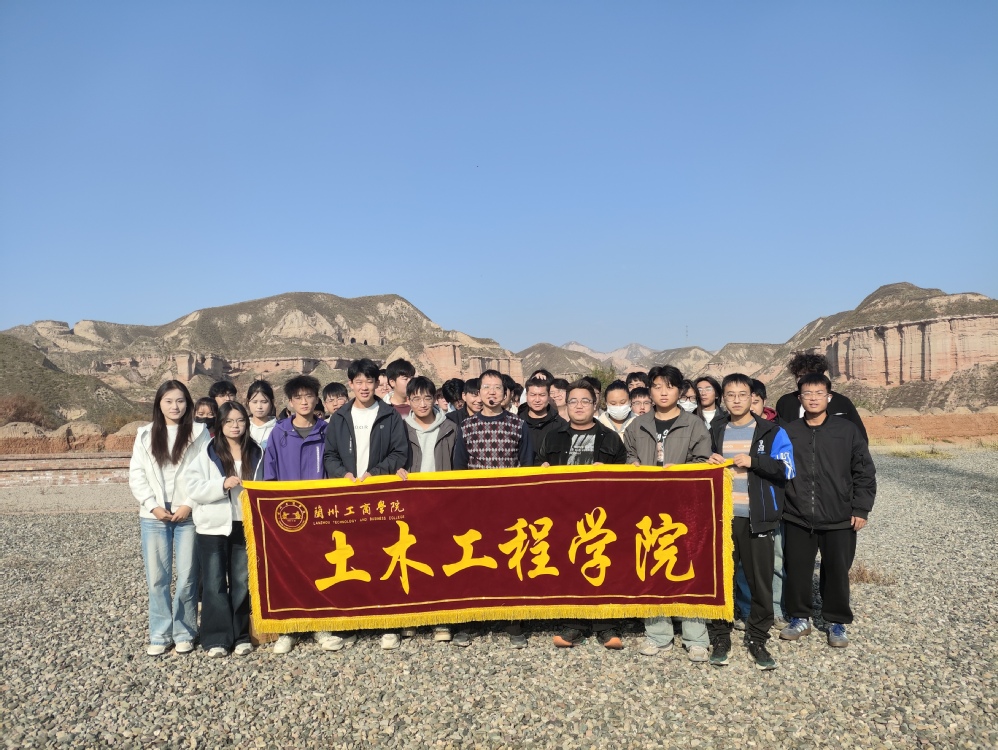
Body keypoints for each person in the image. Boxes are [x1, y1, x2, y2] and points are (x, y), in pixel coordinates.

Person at [705, 374, 795, 671]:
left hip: (757, 518)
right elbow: (702, 462)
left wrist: (754, 462)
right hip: (723, 518)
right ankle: (720, 637)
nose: (736, 400)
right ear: (723, 399)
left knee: (760, 582)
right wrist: (707, 462)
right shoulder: (716, 429)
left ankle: (757, 638)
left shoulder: (771, 431)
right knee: (721, 581)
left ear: (752, 397)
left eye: (742, 394)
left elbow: (788, 469)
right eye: (730, 395)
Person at [779, 373, 876, 648]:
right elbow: (777, 469)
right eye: (807, 394)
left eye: (819, 393)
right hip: (797, 516)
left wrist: (861, 508)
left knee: (836, 571)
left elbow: (864, 471)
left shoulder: (847, 430)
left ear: (829, 397)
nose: (813, 398)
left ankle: (836, 621)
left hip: (839, 516)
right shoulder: (788, 432)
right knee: (797, 570)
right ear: (800, 398)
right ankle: (800, 617)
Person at [624, 365, 713, 663]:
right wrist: (632, 465)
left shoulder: (694, 425)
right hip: (648, 510)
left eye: (670, 386)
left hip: (684, 510)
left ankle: (695, 637)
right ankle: (658, 634)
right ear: (649, 390)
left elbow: (703, 462)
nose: (663, 392)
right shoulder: (637, 426)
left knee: (689, 569)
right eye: (657, 386)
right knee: (651, 568)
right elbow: (630, 456)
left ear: (680, 390)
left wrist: (683, 471)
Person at [536, 380, 628, 650]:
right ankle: (573, 623)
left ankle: (605, 625)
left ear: (595, 404)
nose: (579, 406)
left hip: (601, 517)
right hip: (563, 514)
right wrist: (542, 468)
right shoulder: (553, 436)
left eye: (585, 401)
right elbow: (537, 469)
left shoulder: (610, 438)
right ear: (565, 405)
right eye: (573, 401)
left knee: (603, 568)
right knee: (569, 567)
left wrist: (608, 473)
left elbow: (625, 480)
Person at [324, 358, 408, 650]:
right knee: (350, 560)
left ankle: (388, 623)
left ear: (376, 384)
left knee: (383, 557)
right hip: (349, 498)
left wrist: (375, 473)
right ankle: (351, 623)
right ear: (350, 384)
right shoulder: (340, 417)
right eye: (358, 382)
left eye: (368, 381)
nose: (363, 387)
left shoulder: (389, 415)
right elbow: (329, 456)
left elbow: (400, 453)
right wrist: (342, 474)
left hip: (380, 496)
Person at [129, 380, 210, 657]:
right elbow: (137, 474)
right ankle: (160, 634)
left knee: (187, 576)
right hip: (154, 516)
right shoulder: (145, 434)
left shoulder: (199, 433)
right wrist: (152, 506)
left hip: (187, 514)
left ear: (188, 403)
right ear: (159, 404)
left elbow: (206, 471)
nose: (175, 406)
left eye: (180, 401)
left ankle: (184, 632)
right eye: (169, 401)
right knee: (157, 578)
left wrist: (189, 504)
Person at [453, 369, 533, 648]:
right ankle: (470, 622)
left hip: (510, 507)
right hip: (475, 507)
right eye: (486, 387)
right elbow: (459, 469)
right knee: (474, 564)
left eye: (497, 387)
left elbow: (527, 466)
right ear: (478, 393)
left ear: (505, 393)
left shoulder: (518, 425)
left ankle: (513, 623)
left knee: (510, 563)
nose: (491, 392)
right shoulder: (466, 426)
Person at [186, 401, 263, 658]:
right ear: (220, 424)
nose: (235, 426)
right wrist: (222, 485)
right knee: (214, 582)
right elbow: (193, 487)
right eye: (229, 421)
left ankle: (241, 635)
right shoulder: (208, 452)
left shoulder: (257, 452)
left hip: (245, 524)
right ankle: (216, 638)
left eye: (240, 420)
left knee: (242, 582)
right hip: (212, 527)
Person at [262, 375, 330, 655]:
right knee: (288, 569)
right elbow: (269, 473)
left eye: (309, 396)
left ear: (316, 399)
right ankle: (288, 629)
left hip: (320, 512)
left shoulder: (327, 431)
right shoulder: (279, 433)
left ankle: (321, 625)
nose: (304, 402)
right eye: (298, 397)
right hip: (288, 514)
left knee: (319, 567)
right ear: (289, 402)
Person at [396, 376, 459, 644]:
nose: (422, 404)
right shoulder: (400, 428)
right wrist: (396, 469)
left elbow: (458, 466)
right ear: (408, 401)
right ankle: (412, 615)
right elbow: (393, 459)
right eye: (416, 398)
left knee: (440, 558)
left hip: (442, 504)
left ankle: (441, 618)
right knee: (412, 558)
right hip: (411, 504)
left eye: (427, 398)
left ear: (435, 399)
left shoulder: (451, 428)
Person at [775, 353, 868, 441]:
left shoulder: (842, 402)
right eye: (800, 375)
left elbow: (860, 437)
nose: (806, 379)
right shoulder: (785, 403)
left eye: (811, 375)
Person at [518, 375, 565, 464]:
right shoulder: (516, 423)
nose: (537, 400)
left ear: (549, 396)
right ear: (526, 396)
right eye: (533, 395)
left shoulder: (560, 425)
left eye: (542, 395)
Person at [246, 380, 277, 455]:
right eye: (254, 402)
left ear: (272, 402)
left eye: (264, 402)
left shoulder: (279, 429)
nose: (259, 407)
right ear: (248, 402)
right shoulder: (243, 427)